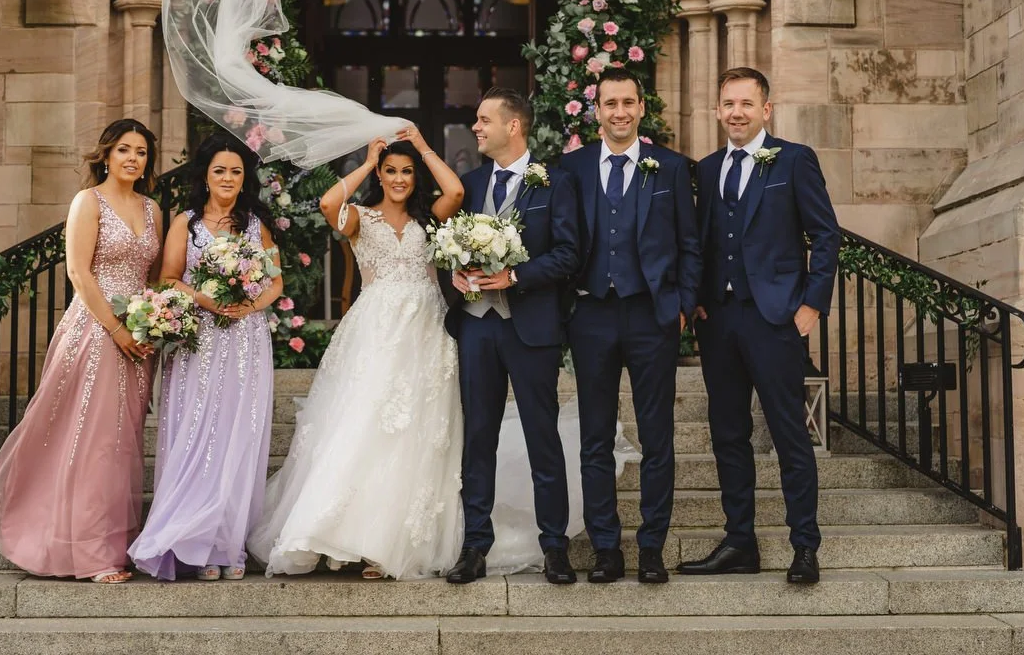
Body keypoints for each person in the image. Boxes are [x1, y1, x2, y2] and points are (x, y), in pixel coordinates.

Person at [248, 127, 466, 580]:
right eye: (392, 171)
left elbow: (457, 189)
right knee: (366, 425)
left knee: (416, 436)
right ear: (381, 175)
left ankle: (387, 544)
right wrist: (367, 161)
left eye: (407, 172)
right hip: (377, 333)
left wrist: (424, 149)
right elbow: (329, 204)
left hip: (426, 333)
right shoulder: (361, 218)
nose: (400, 179)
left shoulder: (431, 217)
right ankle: (344, 534)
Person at [676, 67, 840, 585]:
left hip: (775, 319)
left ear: (766, 109)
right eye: (728, 104)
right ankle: (739, 541)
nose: (737, 113)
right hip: (720, 322)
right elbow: (698, 242)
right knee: (728, 433)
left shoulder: (794, 160)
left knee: (790, 433)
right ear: (718, 110)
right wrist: (699, 300)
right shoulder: (705, 169)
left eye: (746, 103)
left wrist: (813, 304)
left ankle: (804, 545)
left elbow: (826, 234)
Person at [0, 119, 160, 583]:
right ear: (106, 155)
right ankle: (89, 552)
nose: (132, 158)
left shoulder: (152, 209)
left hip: (138, 336)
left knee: (122, 443)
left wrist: (154, 321)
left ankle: (114, 545)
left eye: (141, 152)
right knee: (92, 439)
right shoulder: (88, 202)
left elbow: (153, 279)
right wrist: (117, 329)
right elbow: (80, 275)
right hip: (96, 329)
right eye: (124, 149)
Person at [559, 68, 700, 583]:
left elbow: (690, 243)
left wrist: (683, 304)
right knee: (595, 438)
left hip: (651, 314)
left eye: (628, 103)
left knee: (657, 437)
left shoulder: (670, 168)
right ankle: (605, 548)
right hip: (590, 314)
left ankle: (652, 547)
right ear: (596, 111)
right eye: (610, 103)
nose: (619, 112)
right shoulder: (569, 169)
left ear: (642, 108)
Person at [129, 134, 285, 581]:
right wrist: (207, 300)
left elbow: (276, 282)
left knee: (238, 437)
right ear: (205, 175)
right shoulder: (187, 223)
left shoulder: (256, 224)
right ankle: (192, 542)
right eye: (220, 170)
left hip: (245, 340)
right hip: (200, 338)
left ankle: (227, 545)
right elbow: (169, 278)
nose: (229, 179)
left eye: (236, 171)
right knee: (198, 433)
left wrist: (247, 305)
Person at [444, 88, 582, 586]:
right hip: (478, 326)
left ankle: (555, 546)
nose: (476, 128)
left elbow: (570, 254)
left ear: (513, 126)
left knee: (542, 439)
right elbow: (447, 252)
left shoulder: (556, 183)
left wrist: (516, 277)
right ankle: (475, 545)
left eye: (484, 120)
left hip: (531, 329)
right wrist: (456, 277)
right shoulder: (470, 182)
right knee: (477, 438)